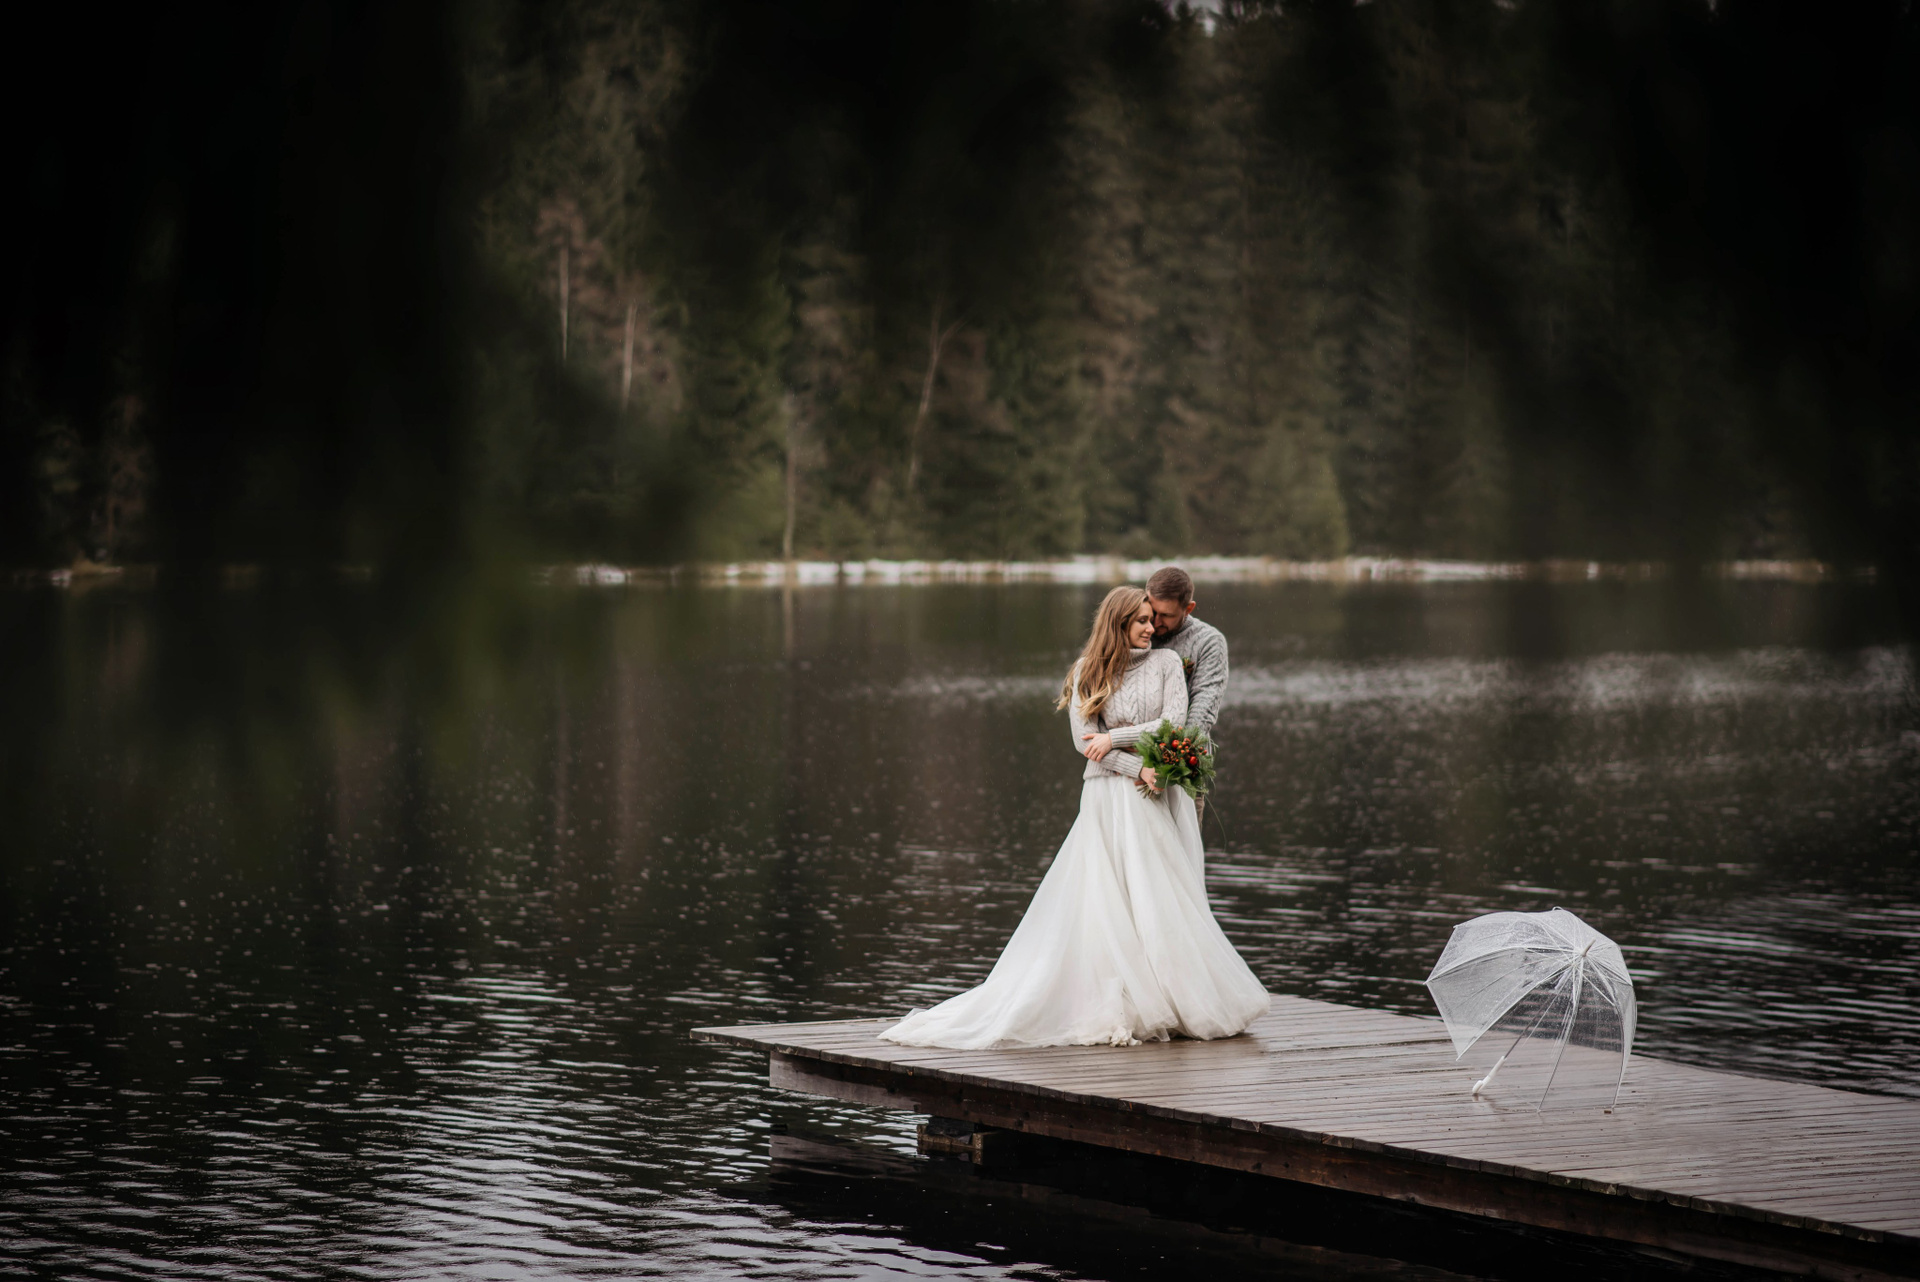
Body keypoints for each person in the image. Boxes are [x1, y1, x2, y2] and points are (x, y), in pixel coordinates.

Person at [879, 585, 1269, 1049]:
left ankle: (1176, 993)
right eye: (1142, 621)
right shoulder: (1087, 670)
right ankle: (1118, 994)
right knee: (1106, 898)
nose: (1152, 629)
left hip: (1152, 798)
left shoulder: (1167, 664)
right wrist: (1135, 766)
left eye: (1152, 620)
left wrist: (1116, 738)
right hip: (1109, 796)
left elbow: (1172, 723)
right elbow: (1085, 742)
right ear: (1118, 624)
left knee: (1160, 894)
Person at [1079, 566, 1227, 823]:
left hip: (1179, 770)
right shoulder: (1134, 631)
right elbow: (1103, 705)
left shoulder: (1208, 642)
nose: (1154, 624)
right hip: (1118, 772)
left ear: (1188, 609)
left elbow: (1201, 715)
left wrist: (1161, 761)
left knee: (1180, 847)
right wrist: (1127, 760)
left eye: (1165, 615)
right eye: (1151, 612)